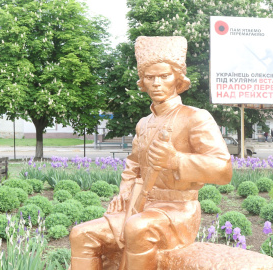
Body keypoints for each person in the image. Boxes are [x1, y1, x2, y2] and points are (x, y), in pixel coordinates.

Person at [69, 36, 232, 270]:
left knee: (137, 228)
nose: (156, 83)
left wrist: (175, 160)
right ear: (143, 82)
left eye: (164, 76)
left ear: (178, 79)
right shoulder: (144, 123)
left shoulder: (195, 117)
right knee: (81, 233)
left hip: (178, 212)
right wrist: (124, 194)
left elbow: (223, 170)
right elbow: (133, 165)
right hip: (140, 206)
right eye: (150, 77)